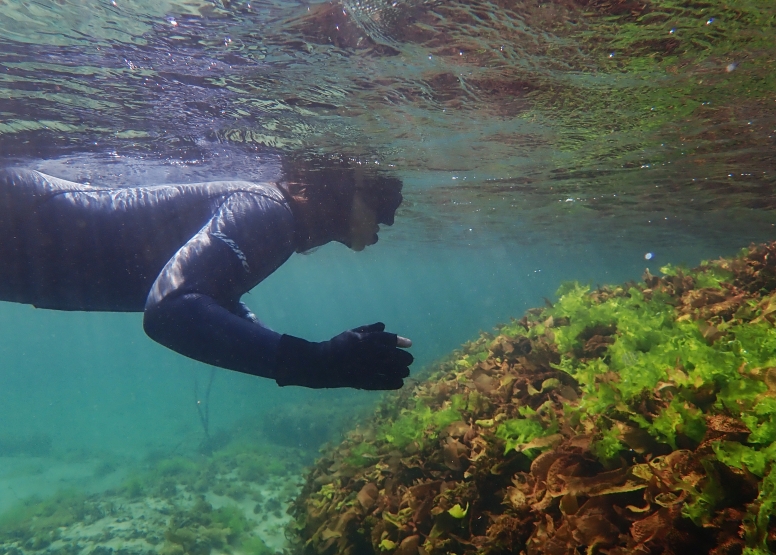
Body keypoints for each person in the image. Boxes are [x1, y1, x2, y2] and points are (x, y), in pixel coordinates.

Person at [0, 159, 413, 390]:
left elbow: (212, 296)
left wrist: (317, 359)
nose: (390, 215)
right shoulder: (267, 211)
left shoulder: (275, 221)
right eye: (381, 195)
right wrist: (315, 362)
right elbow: (171, 310)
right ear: (339, 188)